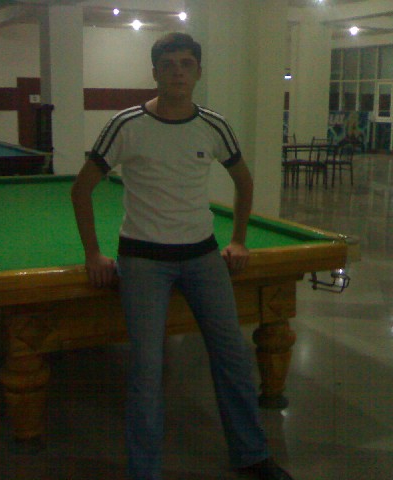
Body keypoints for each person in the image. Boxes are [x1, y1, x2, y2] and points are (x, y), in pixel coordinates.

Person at [71, 32, 294, 480]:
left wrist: (239, 240)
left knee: (233, 356)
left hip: (203, 258)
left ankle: (251, 454)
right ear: (154, 72)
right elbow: (81, 190)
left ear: (198, 72)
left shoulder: (214, 125)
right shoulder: (125, 124)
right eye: (169, 64)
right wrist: (93, 254)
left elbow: (244, 182)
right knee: (146, 369)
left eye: (186, 64)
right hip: (142, 262)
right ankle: (145, 471)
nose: (177, 72)